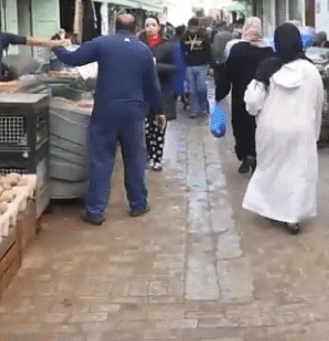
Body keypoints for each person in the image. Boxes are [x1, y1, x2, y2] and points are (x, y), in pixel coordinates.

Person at [51, 14, 165, 225]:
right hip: (133, 113)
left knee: (102, 160)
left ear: (115, 27)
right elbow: (152, 85)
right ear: (136, 28)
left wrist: (56, 45)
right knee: (135, 159)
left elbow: (71, 59)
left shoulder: (103, 43)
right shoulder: (143, 50)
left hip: (105, 111)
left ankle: (95, 211)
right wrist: (159, 111)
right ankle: (138, 205)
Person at [242, 23, 324, 234]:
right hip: (301, 130)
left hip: (271, 129)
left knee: (271, 170)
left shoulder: (267, 67)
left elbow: (252, 102)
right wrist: (313, 132)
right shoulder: (311, 70)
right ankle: (292, 218)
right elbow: (318, 103)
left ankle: (269, 208)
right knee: (297, 174)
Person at [215, 17, 274, 174]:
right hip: (263, 97)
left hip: (240, 96)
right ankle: (256, 155)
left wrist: (220, 93)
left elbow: (227, 73)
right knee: (258, 127)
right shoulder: (268, 50)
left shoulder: (236, 49)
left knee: (241, 127)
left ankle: (245, 155)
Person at [139, 16, 176, 171]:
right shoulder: (140, 45)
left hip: (162, 93)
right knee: (146, 129)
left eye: (153, 25)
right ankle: (148, 157)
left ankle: (157, 158)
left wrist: (155, 66)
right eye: (147, 25)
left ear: (159, 27)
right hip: (144, 93)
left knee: (159, 128)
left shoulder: (167, 46)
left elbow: (175, 68)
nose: (150, 28)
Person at [181, 18, 212, 118]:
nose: (193, 30)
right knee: (192, 90)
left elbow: (208, 50)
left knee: (202, 88)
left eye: (195, 27)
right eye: (191, 28)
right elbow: (181, 50)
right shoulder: (184, 37)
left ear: (198, 27)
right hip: (189, 66)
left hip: (201, 65)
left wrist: (209, 64)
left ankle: (203, 106)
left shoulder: (203, 37)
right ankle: (194, 110)